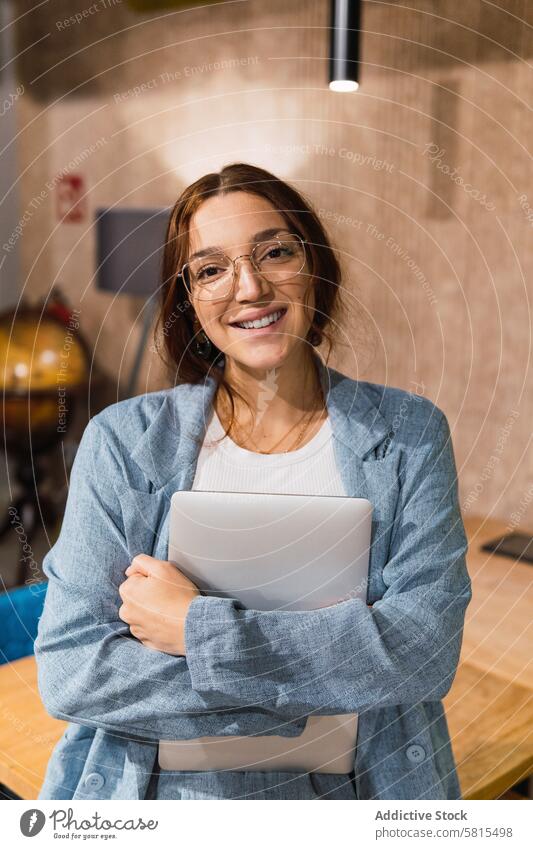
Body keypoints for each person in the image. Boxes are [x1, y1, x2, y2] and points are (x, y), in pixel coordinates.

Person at [35, 162, 471, 800]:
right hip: (161, 800)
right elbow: (74, 673)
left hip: (359, 796)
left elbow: (425, 651)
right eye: (211, 269)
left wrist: (196, 631)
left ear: (313, 266)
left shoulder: (409, 433)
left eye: (274, 252)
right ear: (187, 298)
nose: (249, 286)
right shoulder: (124, 441)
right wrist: (326, 685)